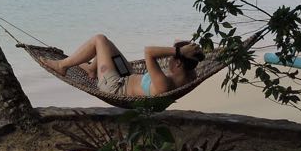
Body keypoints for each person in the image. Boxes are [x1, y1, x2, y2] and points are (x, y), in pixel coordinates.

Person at [50, 34, 204, 97]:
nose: (168, 59)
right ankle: (91, 69)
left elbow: (148, 51)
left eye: (172, 57)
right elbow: (195, 56)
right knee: (107, 45)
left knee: (99, 39)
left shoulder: (163, 84)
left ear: (178, 62)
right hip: (126, 74)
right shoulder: (189, 75)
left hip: (114, 86)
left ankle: (62, 65)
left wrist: (178, 50)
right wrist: (184, 49)